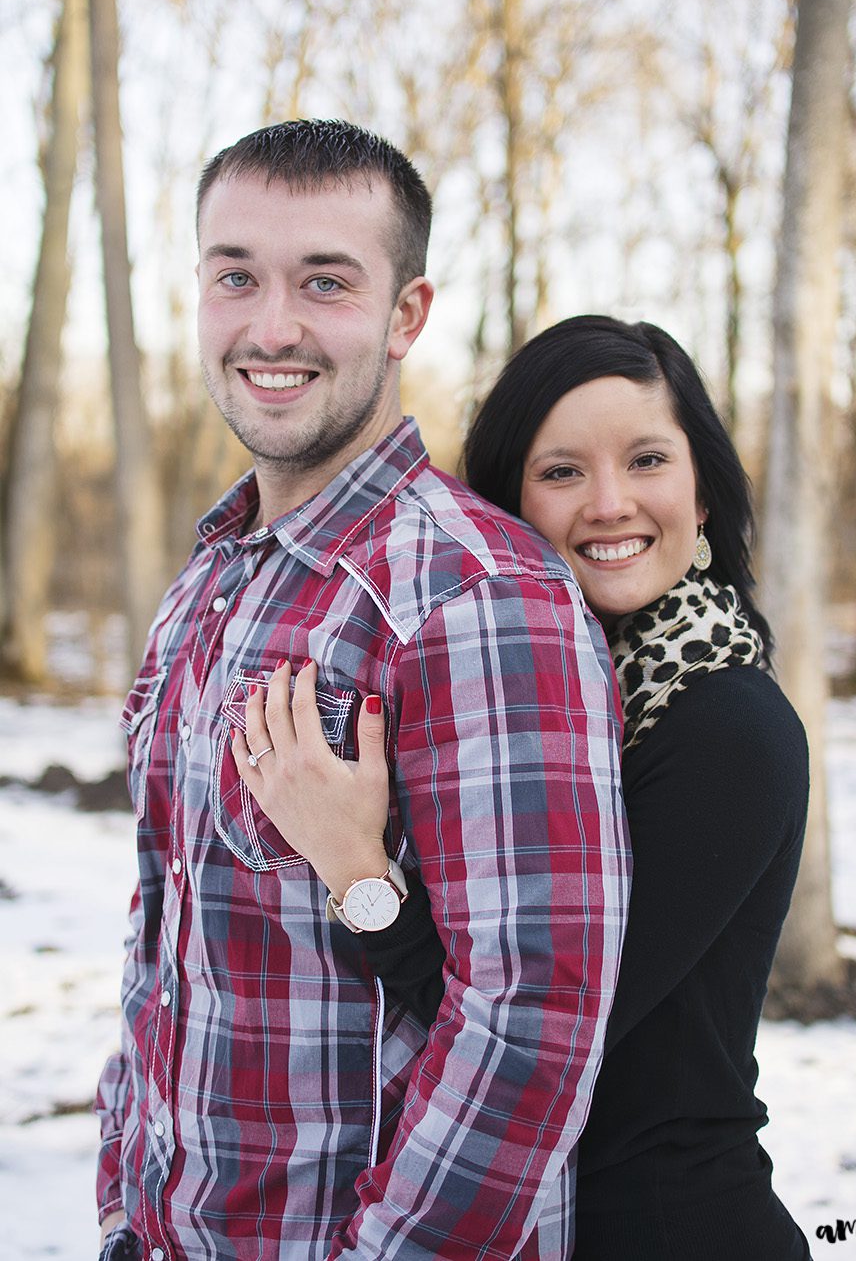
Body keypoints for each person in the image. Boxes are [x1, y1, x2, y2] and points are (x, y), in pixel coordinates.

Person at [94, 125, 631, 1260]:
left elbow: (530, 1021)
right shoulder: (208, 579)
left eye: (325, 283)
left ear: (406, 316)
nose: (271, 326)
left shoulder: (476, 597)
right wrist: (118, 1196)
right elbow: (166, 933)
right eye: (235, 274)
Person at [243, 315, 811, 1260]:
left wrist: (353, 862)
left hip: (669, 1225)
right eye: (562, 472)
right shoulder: (539, 694)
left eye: (646, 461)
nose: (609, 503)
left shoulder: (728, 729)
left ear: (702, 492)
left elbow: (540, 1030)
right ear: (507, 504)